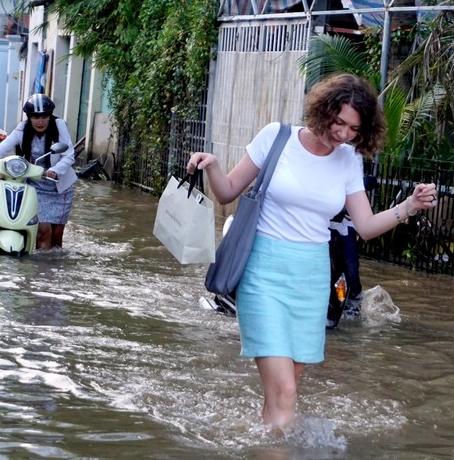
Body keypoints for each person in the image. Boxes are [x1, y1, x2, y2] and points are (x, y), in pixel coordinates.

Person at [186, 73, 437, 430]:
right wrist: (212, 165)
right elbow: (226, 193)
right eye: (339, 122)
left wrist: (409, 206)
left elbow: (364, 226)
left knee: (284, 389)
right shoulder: (276, 137)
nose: (344, 134)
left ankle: (266, 441)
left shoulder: (349, 160)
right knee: (285, 390)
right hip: (263, 272)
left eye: (354, 129)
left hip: (313, 277)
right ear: (324, 110)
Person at [0, 94, 77, 250]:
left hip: (59, 186)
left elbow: (68, 155)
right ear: (29, 117)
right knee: (43, 230)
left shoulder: (58, 125)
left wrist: (54, 171)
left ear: (49, 116)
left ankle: (54, 269)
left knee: (56, 235)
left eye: (44, 116)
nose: (40, 121)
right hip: (36, 185)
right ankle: (39, 268)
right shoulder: (22, 128)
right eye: (36, 117)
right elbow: (1, 149)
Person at [326, 174, 378, 328]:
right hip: (326, 228)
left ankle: (353, 299)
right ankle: (328, 306)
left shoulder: (351, 166)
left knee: (351, 270)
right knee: (329, 269)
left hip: (346, 228)